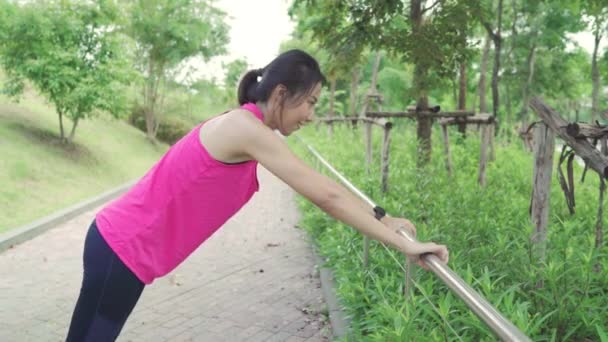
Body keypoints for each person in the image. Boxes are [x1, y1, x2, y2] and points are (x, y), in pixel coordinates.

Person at [65, 49, 449, 341]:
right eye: (311, 101)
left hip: (119, 246)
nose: (312, 114)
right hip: (122, 248)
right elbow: (325, 196)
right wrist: (403, 246)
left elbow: (325, 187)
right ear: (282, 94)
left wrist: (385, 218)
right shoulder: (247, 130)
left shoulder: (247, 126)